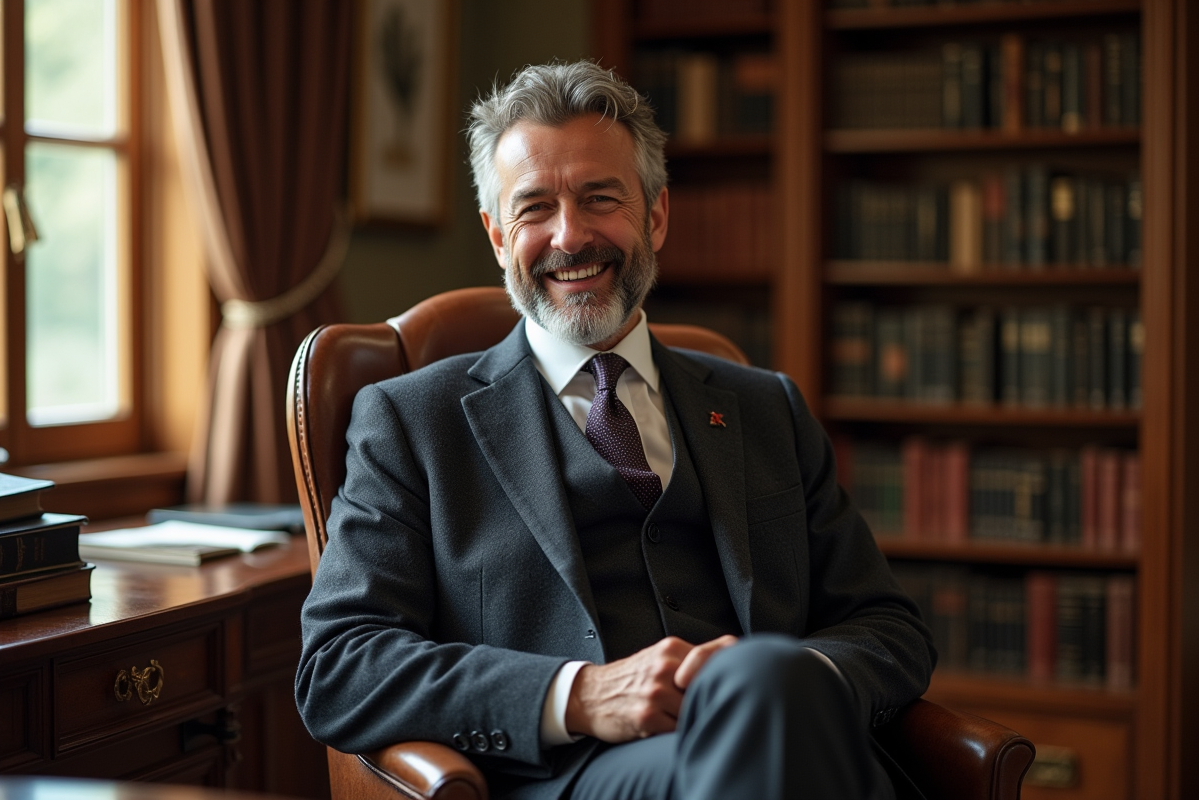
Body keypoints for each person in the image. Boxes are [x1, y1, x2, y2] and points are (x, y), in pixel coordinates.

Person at [296, 60, 935, 800]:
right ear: (498, 235)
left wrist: (792, 688)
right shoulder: (411, 421)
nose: (571, 237)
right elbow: (340, 665)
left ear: (655, 216)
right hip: (581, 776)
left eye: (600, 199)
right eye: (534, 208)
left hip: (794, 749)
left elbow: (888, 626)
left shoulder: (767, 408)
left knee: (769, 688)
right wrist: (581, 695)